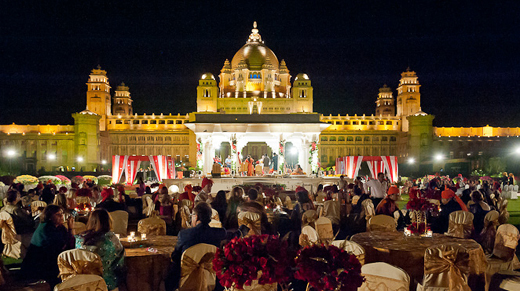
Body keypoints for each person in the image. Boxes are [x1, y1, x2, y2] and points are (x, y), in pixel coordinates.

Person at [165, 202, 226, 291]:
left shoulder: (184, 234)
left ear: (196, 217)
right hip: (212, 279)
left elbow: (175, 257)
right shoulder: (219, 233)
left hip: (187, 280)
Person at [21, 205, 75, 287]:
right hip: (40, 263)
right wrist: (70, 230)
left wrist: (70, 229)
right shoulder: (46, 228)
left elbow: (69, 242)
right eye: (58, 214)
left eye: (62, 214)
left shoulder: (59, 227)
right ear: (49, 217)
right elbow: (59, 247)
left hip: (50, 258)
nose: (61, 216)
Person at [75, 209, 125, 290]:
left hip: (83, 282)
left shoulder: (80, 238)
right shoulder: (111, 238)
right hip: (105, 282)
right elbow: (119, 261)